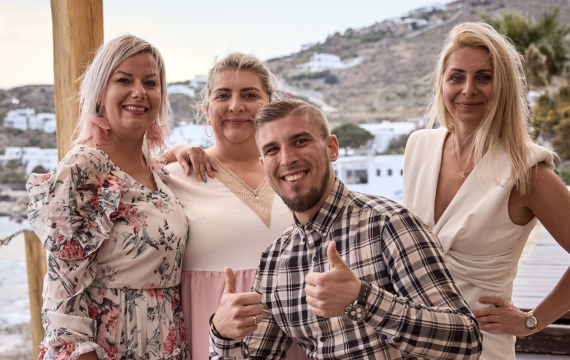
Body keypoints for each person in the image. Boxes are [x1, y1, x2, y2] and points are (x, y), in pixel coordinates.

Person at [208, 99, 483, 359]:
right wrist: (222, 334)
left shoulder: (389, 224)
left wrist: (363, 300)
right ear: (264, 166)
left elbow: (467, 341)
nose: (287, 159)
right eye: (272, 150)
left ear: (331, 148)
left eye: (300, 141)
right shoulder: (274, 262)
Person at [403, 22, 570, 360]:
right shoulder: (418, 147)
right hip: (410, 343)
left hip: (481, 348)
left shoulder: (527, 173)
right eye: (456, 77)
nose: (468, 89)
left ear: (504, 87)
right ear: (442, 84)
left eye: (484, 77)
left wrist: (530, 321)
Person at [27, 35, 189, 360]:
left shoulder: (157, 172)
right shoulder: (83, 169)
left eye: (150, 82)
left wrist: (186, 152)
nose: (139, 92)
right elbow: (62, 296)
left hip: (167, 344)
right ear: (101, 92)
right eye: (124, 80)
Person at [161, 53, 309, 360]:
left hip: (298, 341)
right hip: (213, 339)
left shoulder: (296, 174)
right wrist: (174, 150)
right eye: (223, 95)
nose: (236, 106)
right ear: (207, 110)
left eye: (250, 95)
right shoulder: (174, 177)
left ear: (270, 106)